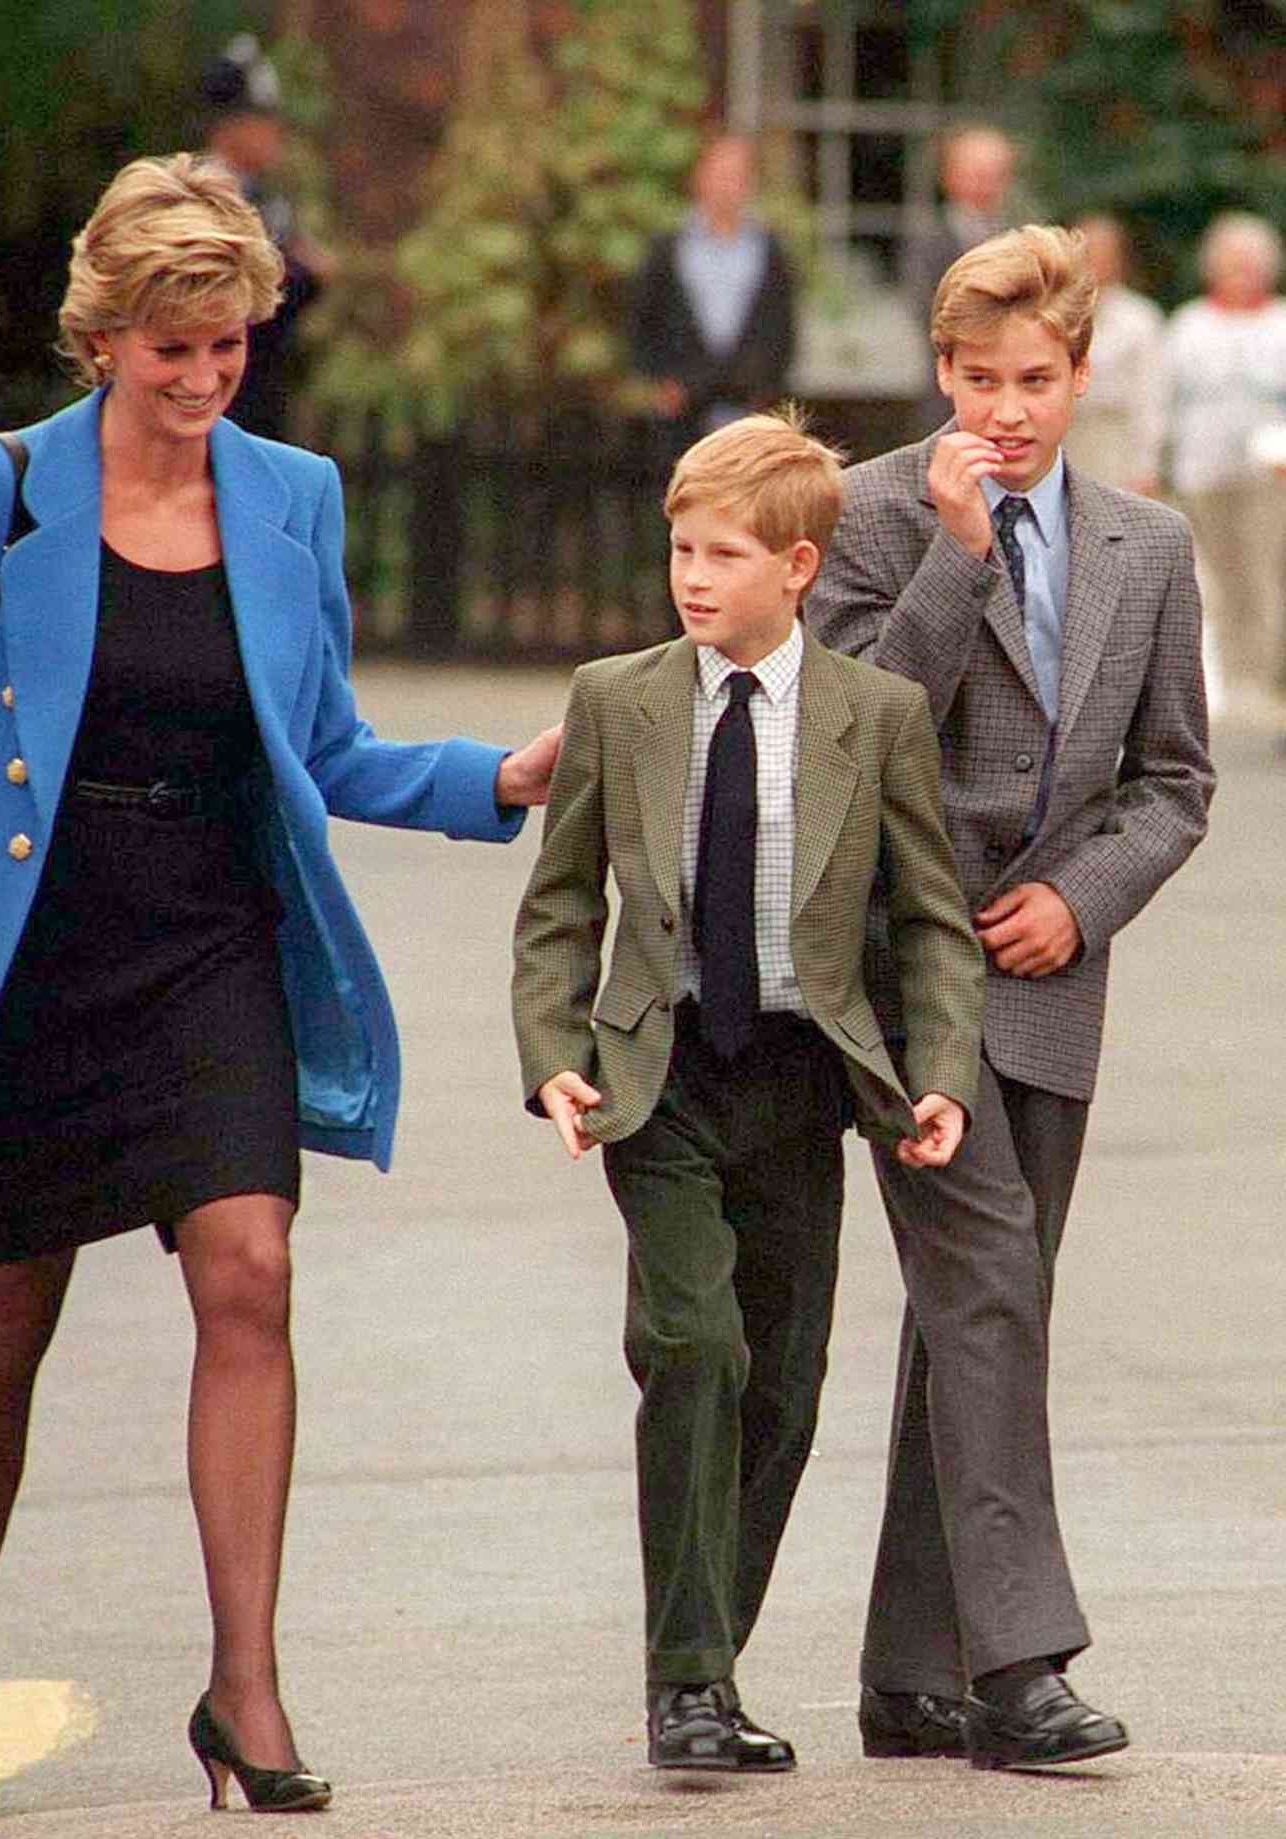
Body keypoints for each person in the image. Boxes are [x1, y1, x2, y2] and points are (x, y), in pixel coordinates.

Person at [0, 152, 559, 1827]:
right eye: (175, 349)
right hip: (42, 937)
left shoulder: (293, 494)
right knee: (5, 1321)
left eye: (229, 345)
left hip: (211, 930)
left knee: (250, 1268)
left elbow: (323, 748)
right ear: (106, 337)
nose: (204, 378)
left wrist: (493, 779)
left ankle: (245, 1683)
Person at [511, 409, 984, 1774]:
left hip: (802, 1081)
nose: (693, 576)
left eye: (724, 553)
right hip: (655, 1078)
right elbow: (559, 904)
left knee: (782, 1381)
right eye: (680, 548)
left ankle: (707, 1653)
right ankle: (690, 1682)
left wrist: (938, 1070)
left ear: (800, 566)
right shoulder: (619, 698)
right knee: (695, 1344)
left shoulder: (875, 716)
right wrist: (554, 1044)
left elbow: (932, 921)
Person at [809, 224, 1214, 1768]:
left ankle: (909, 1666)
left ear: (1081, 375)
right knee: (991, 1286)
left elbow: (1175, 780)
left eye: (1035, 380)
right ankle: (1016, 1667)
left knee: (970, 1306)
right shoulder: (865, 515)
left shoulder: (1148, 545)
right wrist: (955, 552)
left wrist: (1080, 895)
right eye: (978, 378)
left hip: (1051, 972)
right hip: (907, 969)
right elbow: (852, 729)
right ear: (940, 369)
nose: (1007, 409)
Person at [1163, 212, 1286, 728]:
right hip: (1203, 471)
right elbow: (1167, 400)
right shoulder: (1189, 324)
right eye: (1231, 264)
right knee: (1217, 577)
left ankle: (1266, 677)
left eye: (1250, 265)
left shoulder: (1281, 322)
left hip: (1271, 475)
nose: (1241, 274)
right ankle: (1232, 680)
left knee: (1267, 575)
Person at [629, 135, 795, 474]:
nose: (727, 187)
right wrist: (662, 381)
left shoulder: (769, 248)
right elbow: (643, 318)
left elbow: (782, 325)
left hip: (746, 401)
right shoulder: (668, 248)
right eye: (719, 174)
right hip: (683, 402)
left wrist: (766, 388)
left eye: (737, 176)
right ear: (699, 178)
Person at [199, 33, 335, 439]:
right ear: (231, 126)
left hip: (263, 384)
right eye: (263, 121)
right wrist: (304, 273)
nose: (275, 133)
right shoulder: (206, 194)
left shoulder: (263, 196)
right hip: (219, 395)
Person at [904, 126, 1017, 430]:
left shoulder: (1020, 238)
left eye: (995, 175)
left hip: (1013, 397)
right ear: (950, 177)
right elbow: (927, 312)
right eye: (977, 174)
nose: (986, 185)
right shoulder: (929, 239)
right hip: (949, 398)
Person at [1063, 214, 1165, 495]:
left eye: (1104, 252)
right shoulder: (1054, 314)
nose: (1095, 260)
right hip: (1067, 438)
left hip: (1117, 442)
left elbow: (1150, 397)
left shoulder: (1141, 319)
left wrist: (1146, 466)